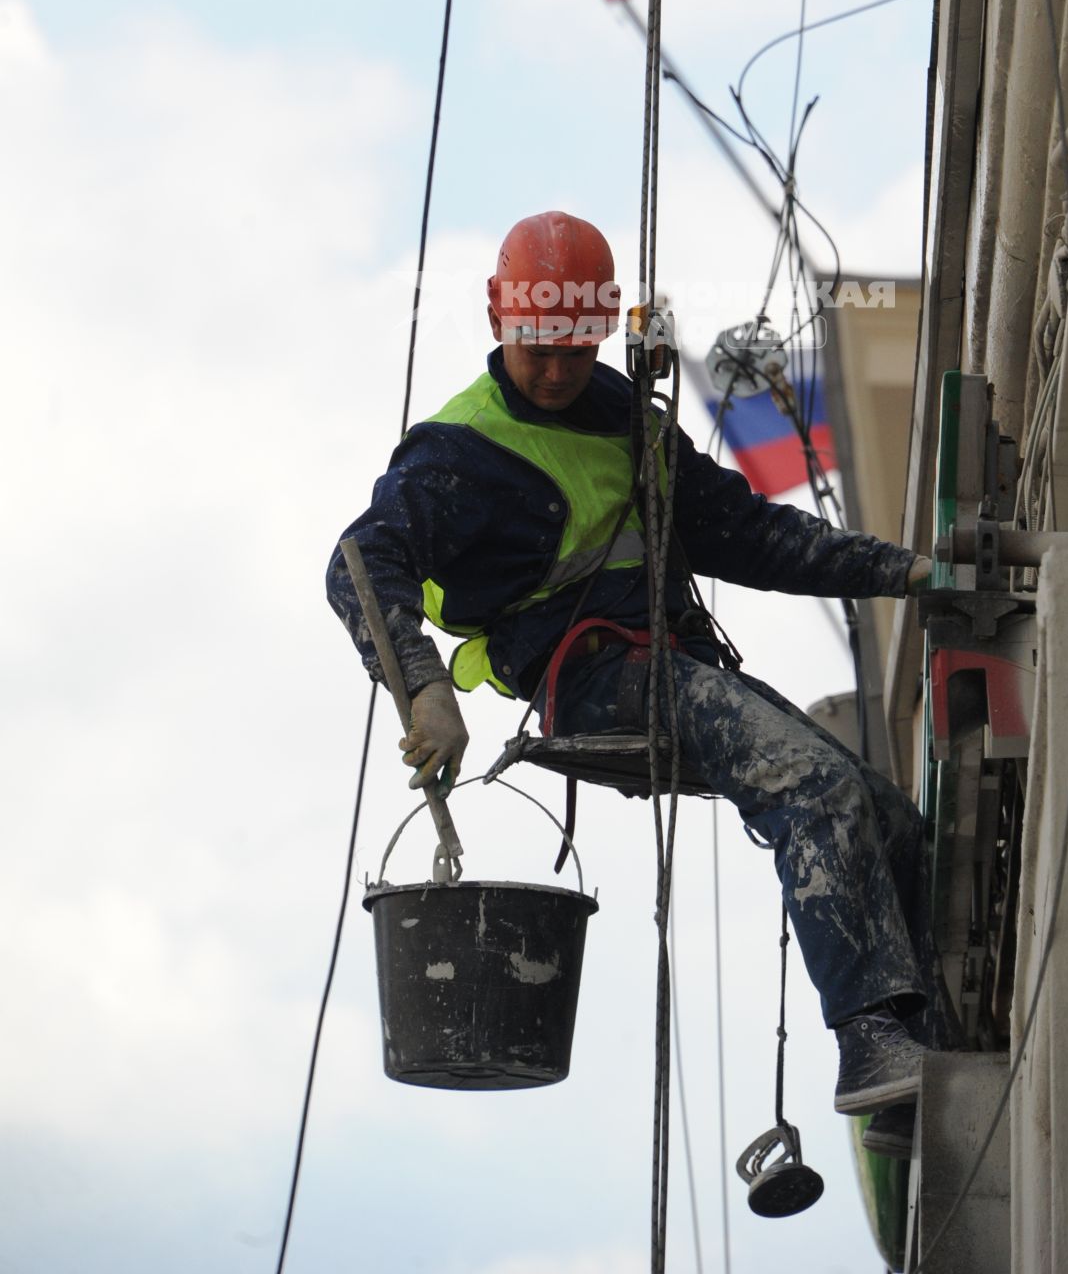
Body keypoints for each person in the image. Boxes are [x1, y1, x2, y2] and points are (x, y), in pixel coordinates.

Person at [326, 210, 954, 1158]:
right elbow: (360, 565)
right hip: (586, 683)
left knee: (885, 815)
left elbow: (747, 535)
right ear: (500, 320)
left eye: (575, 347)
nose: (554, 368)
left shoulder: (632, 425)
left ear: (604, 328)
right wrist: (424, 690)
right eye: (537, 347)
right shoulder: (459, 453)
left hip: (673, 664)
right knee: (812, 786)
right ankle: (869, 1044)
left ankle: (918, 1075)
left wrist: (897, 570)